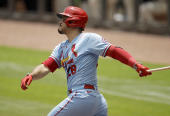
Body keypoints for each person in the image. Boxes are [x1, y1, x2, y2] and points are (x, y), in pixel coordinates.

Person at [20, 6, 152, 116]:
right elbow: (45, 67)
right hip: (94, 101)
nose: (60, 21)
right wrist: (31, 75)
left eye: (64, 18)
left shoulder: (89, 39)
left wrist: (135, 65)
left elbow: (114, 51)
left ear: (73, 22)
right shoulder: (61, 48)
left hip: (82, 97)